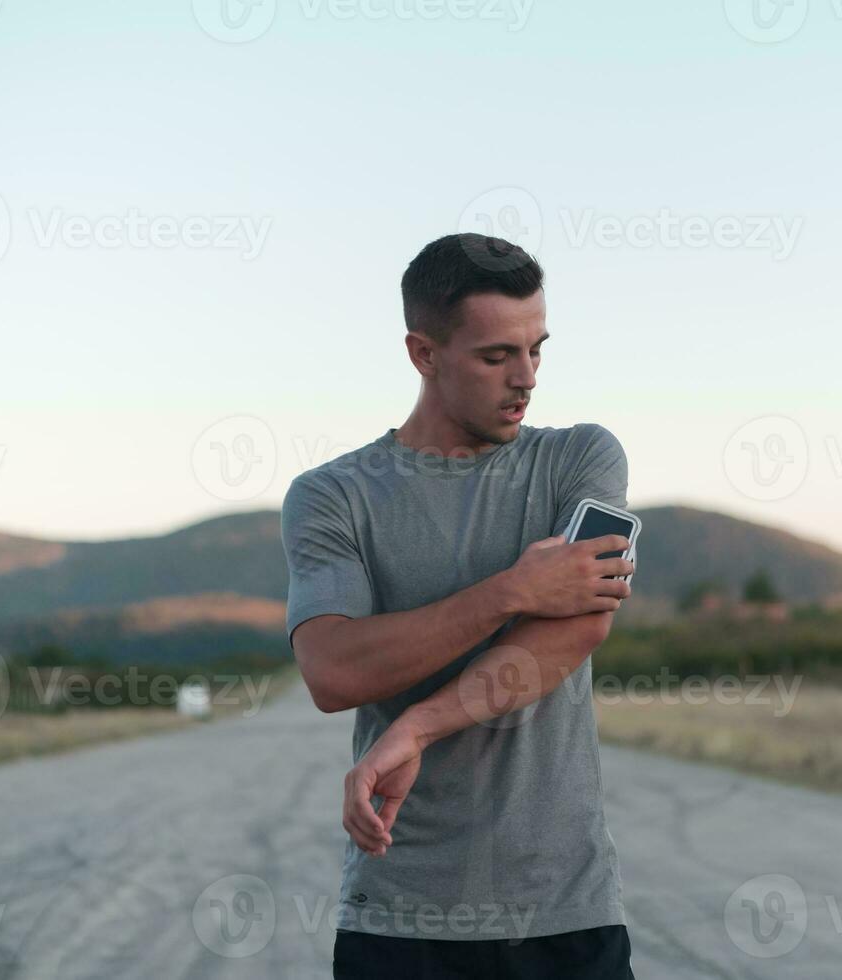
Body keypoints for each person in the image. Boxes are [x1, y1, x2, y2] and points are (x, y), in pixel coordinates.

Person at [281, 232, 637, 979]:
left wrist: (414, 726)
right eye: (496, 355)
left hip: (565, 917)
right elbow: (333, 672)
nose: (528, 377)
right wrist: (512, 590)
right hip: (401, 920)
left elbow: (579, 623)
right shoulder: (334, 496)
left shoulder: (578, 458)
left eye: (538, 348)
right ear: (424, 354)